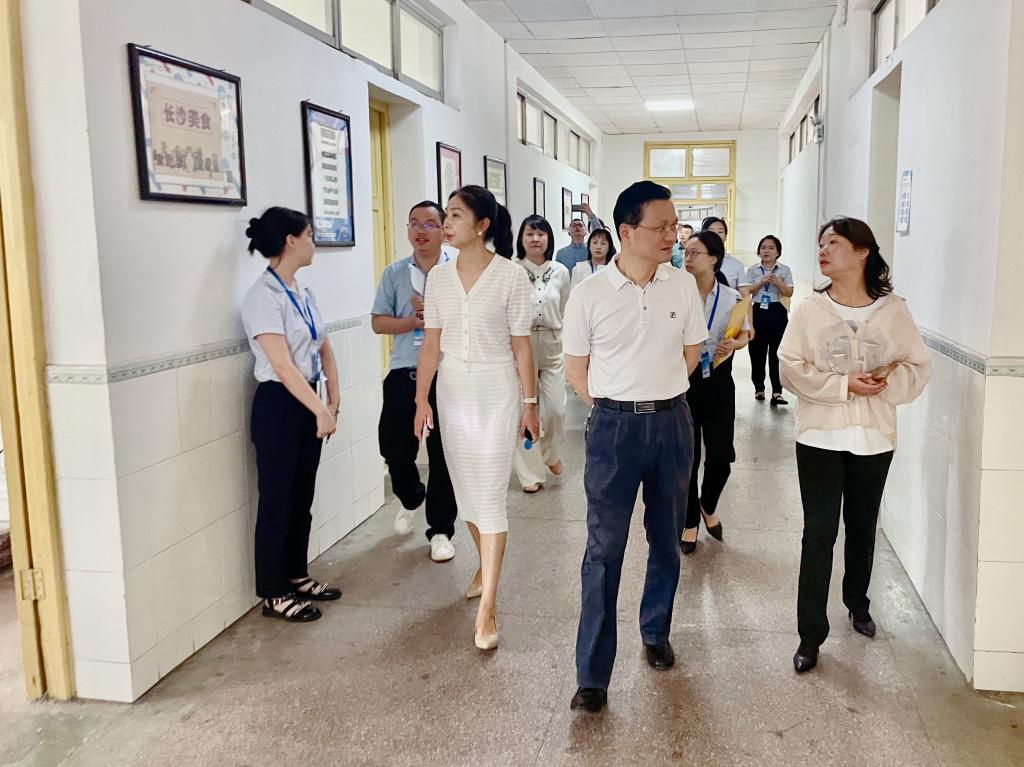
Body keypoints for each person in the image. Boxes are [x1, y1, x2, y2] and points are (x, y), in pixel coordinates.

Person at [563, 181, 707, 713]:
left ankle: (655, 630)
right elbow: (577, 370)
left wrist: (656, 395)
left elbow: (691, 354)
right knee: (603, 550)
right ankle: (592, 675)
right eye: (661, 227)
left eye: (674, 226)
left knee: (666, 538)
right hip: (613, 431)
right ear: (626, 231)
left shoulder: (682, 286)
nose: (673, 235)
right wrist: (618, 405)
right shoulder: (590, 293)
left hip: (672, 424)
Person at [778, 217, 930, 674]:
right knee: (818, 532)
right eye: (821, 243)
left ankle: (857, 602)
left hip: (874, 437)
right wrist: (844, 385)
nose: (823, 251)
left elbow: (917, 366)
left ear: (863, 252)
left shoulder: (893, 311)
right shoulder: (810, 310)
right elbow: (790, 366)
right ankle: (810, 635)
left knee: (863, 526)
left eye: (834, 243)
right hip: (819, 437)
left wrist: (885, 382)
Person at [413, 185, 540, 651]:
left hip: (497, 391)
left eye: (455, 215)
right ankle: (485, 568)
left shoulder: (510, 276)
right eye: (446, 215)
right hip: (453, 392)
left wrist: (530, 404)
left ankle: (488, 607)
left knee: (489, 496)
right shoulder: (438, 278)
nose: (446, 224)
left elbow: (522, 347)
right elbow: (431, 345)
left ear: (482, 225)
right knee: (467, 494)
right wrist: (421, 400)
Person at [241, 207, 341, 623]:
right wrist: (320, 409)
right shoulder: (262, 297)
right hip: (279, 405)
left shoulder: (302, 291)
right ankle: (273, 592)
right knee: (278, 500)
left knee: (302, 497)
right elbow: (281, 365)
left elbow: (324, 346)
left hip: (308, 401)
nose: (314, 243)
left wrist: (333, 399)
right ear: (290, 240)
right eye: (310, 235)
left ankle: (297, 575)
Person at [371, 201, 458, 562]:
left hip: (446, 374)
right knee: (394, 449)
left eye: (429, 224)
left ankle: (440, 531)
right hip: (404, 371)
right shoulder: (395, 273)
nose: (421, 231)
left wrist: (438, 319)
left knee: (442, 456)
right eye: (414, 224)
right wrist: (413, 321)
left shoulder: (456, 270)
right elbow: (378, 322)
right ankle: (410, 497)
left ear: (443, 230)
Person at [679, 230, 749, 554]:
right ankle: (690, 520)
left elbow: (745, 334)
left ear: (713, 259)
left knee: (721, 457)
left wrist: (734, 344)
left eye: (695, 253)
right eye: (686, 252)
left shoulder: (732, 297)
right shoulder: (677, 294)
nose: (688, 258)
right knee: (688, 456)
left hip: (719, 380)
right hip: (684, 380)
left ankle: (707, 504)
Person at [512, 215, 570, 493]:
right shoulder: (512, 270)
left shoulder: (560, 271)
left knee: (556, 409)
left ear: (549, 238)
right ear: (521, 238)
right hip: (521, 342)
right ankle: (530, 474)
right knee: (526, 408)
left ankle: (550, 454)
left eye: (541, 234)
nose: (535, 239)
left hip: (552, 342)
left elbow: (565, 307)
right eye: (529, 234)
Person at [742, 235, 795, 406]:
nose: (767, 251)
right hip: (757, 311)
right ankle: (759, 388)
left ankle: (777, 392)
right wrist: (760, 282)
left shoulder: (784, 270)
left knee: (777, 353)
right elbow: (747, 291)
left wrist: (779, 282)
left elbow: (789, 292)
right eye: (763, 247)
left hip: (777, 311)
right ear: (759, 251)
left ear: (778, 252)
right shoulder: (752, 270)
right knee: (757, 352)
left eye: (771, 248)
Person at [700, 217, 749, 292]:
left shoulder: (736, 264)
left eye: (720, 232)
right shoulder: (691, 261)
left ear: (726, 236)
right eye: (711, 231)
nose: (716, 235)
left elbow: (743, 292)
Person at [555, 202, 607, 271]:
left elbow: (600, 235)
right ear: (569, 232)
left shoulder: (592, 250)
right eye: (574, 225)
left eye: (580, 225)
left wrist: (591, 215)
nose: (577, 227)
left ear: (585, 232)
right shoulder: (561, 253)